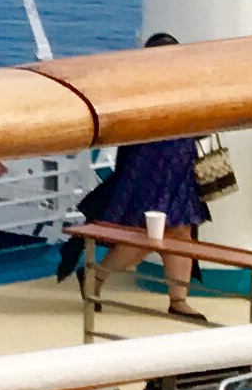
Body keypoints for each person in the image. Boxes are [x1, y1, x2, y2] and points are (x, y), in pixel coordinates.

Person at [68, 36, 210, 313]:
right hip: (147, 164)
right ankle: (95, 277)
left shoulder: (186, 87)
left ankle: (178, 300)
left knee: (181, 230)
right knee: (146, 233)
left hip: (180, 165)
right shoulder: (136, 89)